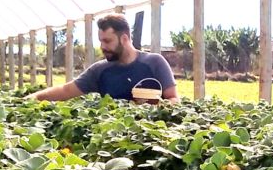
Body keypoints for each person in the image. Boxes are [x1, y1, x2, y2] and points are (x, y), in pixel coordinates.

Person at [27, 13, 178, 103]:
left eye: (107, 41)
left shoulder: (154, 62)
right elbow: (66, 90)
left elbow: (173, 99)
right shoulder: (100, 70)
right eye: (100, 41)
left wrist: (152, 107)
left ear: (124, 39)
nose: (102, 47)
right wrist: (29, 100)